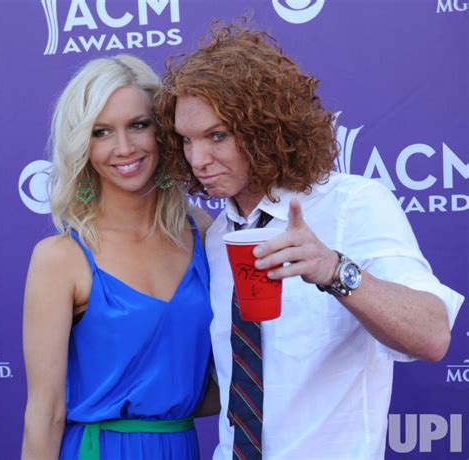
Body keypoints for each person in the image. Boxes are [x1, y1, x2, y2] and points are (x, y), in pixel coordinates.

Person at [155, 22, 464, 460]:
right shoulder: (217, 235)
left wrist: (333, 270)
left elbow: (433, 335)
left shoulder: (352, 204)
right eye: (186, 140)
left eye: (217, 135)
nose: (198, 159)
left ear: (266, 129)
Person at [22, 54, 218, 460]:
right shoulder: (60, 258)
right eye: (101, 132)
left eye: (138, 125)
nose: (124, 147)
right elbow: (45, 413)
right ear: (82, 145)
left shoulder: (203, 233)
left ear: (163, 130)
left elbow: (229, 378)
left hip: (181, 446)